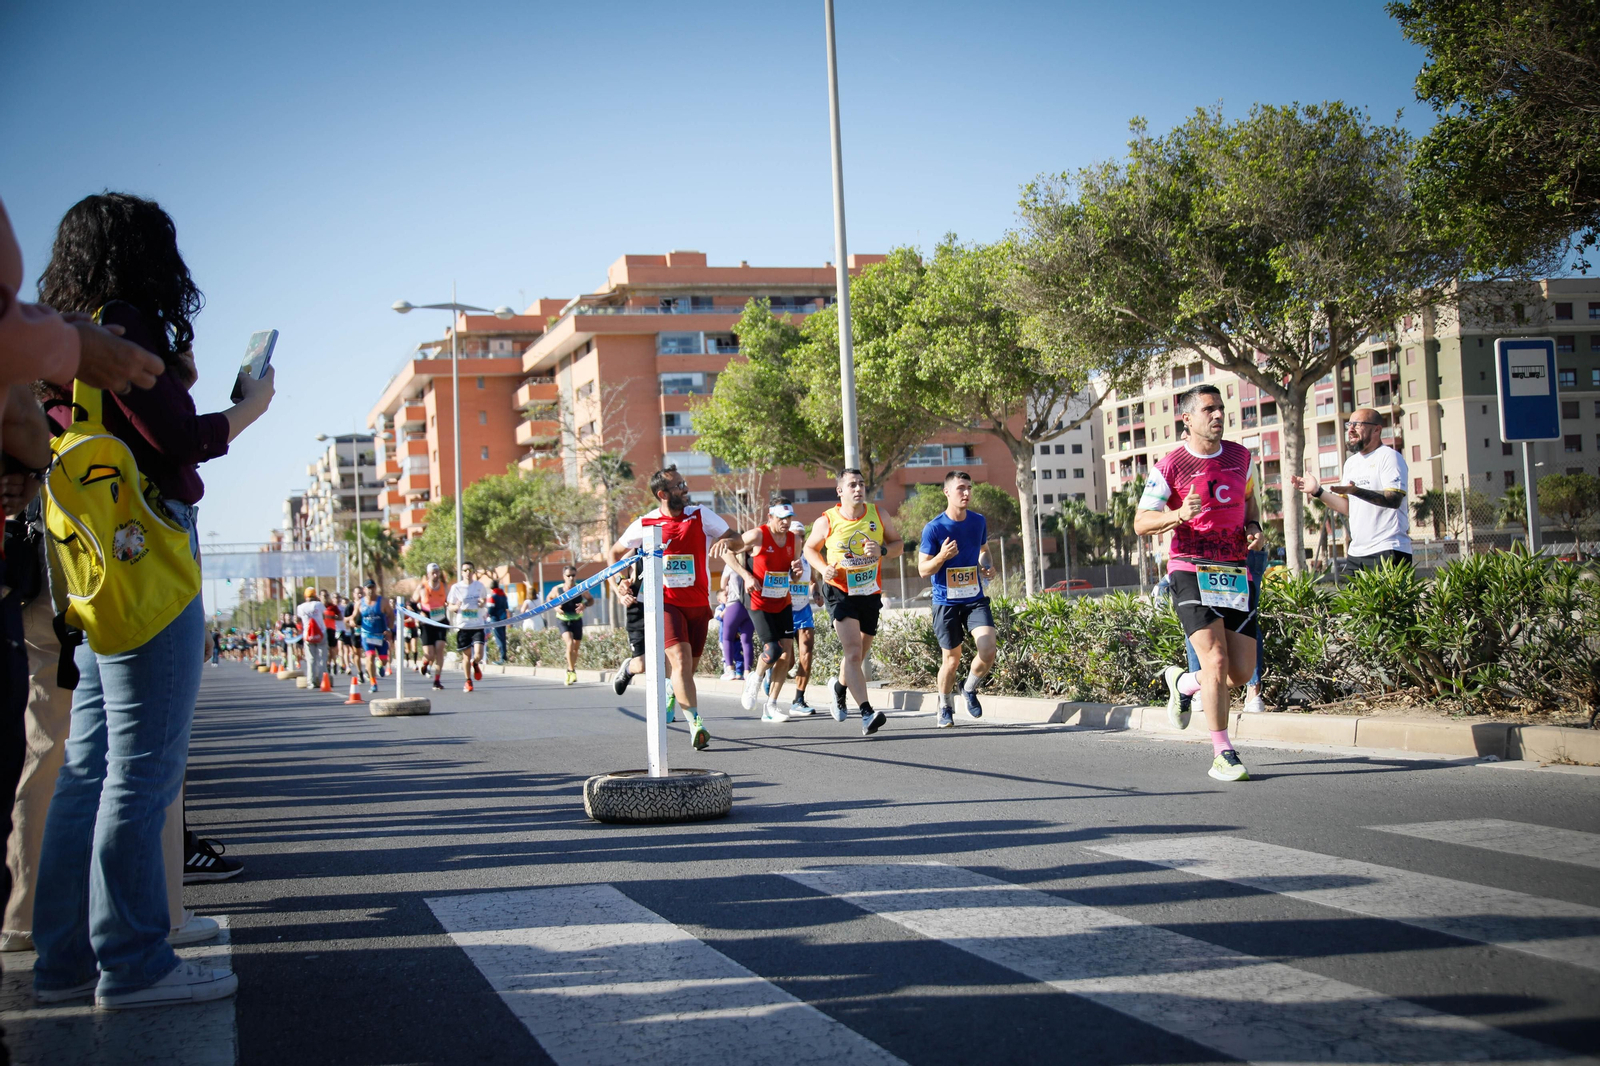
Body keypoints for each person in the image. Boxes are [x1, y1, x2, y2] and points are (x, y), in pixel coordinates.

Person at [32, 192, 273, 1009]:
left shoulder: (69, 336)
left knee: (88, 766)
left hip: (97, 565)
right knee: (142, 768)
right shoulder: (123, 321)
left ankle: (62, 961)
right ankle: (132, 961)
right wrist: (248, 408)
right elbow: (179, 438)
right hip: (151, 552)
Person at [1133, 383, 1266, 784]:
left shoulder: (1242, 457)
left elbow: (1250, 502)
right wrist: (1178, 515)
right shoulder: (1170, 466)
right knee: (1216, 661)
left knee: (1241, 672)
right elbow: (1141, 523)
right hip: (1190, 568)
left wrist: (1255, 527)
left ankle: (1182, 682)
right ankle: (1223, 752)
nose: (1219, 415)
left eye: (1221, 408)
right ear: (1187, 419)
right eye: (1209, 409)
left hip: (1233, 571)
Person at [608, 466, 738, 750]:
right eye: (679, 485)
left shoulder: (700, 515)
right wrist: (619, 581)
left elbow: (737, 539)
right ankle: (696, 724)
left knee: (688, 667)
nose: (685, 488)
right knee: (679, 660)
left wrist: (727, 541)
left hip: (697, 603)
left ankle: (671, 691)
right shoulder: (647, 523)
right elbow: (615, 553)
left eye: (684, 483)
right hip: (665, 604)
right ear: (663, 494)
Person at [804, 468, 903, 736]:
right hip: (839, 591)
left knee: (859, 654)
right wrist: (823, 568)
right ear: (840, 491)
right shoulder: (827, 521)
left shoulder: (878, 515)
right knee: (853, 652)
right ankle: (867, 713)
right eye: (852, 485)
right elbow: (809, 549)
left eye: (861, 484)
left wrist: (881, 550)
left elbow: (898, 545)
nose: (858, 488)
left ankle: (838, 687)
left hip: (869, 591)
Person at [918, 470, 997, 728]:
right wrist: (942, 557)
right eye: (961, 488)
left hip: (974, 597)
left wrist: (987, 566)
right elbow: (922, 570)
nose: (966, 493)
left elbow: (984, 551)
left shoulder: (978, 522)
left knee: (987, 650)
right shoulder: (934, 528)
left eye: (969, 488)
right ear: (947, 492)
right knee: (951, 660)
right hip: (945, 601)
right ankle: (944, 705)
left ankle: (969, 687)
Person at [1291, 407, 1412, 570]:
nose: (1351, 429)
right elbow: (1347, 508)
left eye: (1358, 425)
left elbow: (1394, 499)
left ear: (1377, 429)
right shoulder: (1351, 463)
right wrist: (1317, 491)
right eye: (1349, 425)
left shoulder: (1389, 457)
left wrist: (1356, 491)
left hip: (1388, 549)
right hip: (1357, 553)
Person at [720, 500, 804, 722]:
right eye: (781, 518)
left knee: (787, 654)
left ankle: (771, 706)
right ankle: (755, 679)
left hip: (782, 600)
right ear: (770, 517)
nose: (786, 523)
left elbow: (793, 573)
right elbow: (726, 552)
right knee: (773, 650)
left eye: (789, 518)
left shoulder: (794, 540)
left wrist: (797, 571)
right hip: (758, 600)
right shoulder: (758, 535)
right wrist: (746, 575)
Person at [785, 520, 822, 717]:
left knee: (806, 653)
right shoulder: (782, 559)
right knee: (787, 662)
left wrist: (816, 593)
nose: (799, 538)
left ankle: (798, 699)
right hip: (784, 611)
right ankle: (769, 675)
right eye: (794, 535)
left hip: (803, 611)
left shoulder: (809, 558)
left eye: (801, 535)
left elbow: (814, 581)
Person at [447, 561, 488, 693]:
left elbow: (484, 601)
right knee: (466, 656)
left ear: (473, 572)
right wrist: (456, 607)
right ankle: (468, 681)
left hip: (477, 624)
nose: (468, 572)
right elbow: (450, 605)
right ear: (461, 572)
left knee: (478, 654)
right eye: (465, 570)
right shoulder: (456, 588)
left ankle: (475, 664)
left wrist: (482, 603)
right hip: (463, 626)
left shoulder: (479, 586)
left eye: (470, 570)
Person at [551, 565, 593, 685]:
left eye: (573, 575)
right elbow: (549, 598)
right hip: (563, 620)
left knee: (575, 648)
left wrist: (584, 605)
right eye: (568, 575)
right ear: (564, 576)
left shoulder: (580, 588)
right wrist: (556, 607)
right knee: (569, 643)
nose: (571, 578)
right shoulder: (557, 589)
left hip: (577, 620)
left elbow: (590, 600)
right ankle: (571, 670)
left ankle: (571, 669)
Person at [412, 563, 449, 690]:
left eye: (437, 572)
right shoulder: (422, 587)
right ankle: (426, 662)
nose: (435, 574)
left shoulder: (444, 586)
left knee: (440, 649)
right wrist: (419, 613)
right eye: (433, 572)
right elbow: (410, 604)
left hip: (440, 620)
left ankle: (437, 680)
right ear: (428, 574)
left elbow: (448, 601)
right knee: (429, 654)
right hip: (426, 621)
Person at [718, 566, 754, 681]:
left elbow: (723, 587)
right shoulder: (752, 562)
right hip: (751, 605)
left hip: (734, 604)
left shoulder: (730, 565)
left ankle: (730, 670)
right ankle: (747, 671)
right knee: (747, 640)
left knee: (727, 638)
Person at [357, 582, 394, 694]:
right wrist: (351, 621)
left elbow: (391, 615)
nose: (370, 590)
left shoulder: (383, 601)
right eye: (368, 588)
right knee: (370, 656)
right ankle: (373, 683)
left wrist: (389, 629)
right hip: (367, 635)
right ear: (364, 589)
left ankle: (379, 665)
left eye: (372, 588)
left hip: (380, 635)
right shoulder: (360, 603)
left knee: (383, 660)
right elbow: (355, 616)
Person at [296, 588, 329, 685]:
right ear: (315, 595)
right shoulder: (318, 605)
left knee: (311, 659)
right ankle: (322, 680)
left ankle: (311, 681)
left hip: (308, 635)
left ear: (305, 596)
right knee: (322, 658)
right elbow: (325, 614)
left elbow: (298, 619)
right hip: (321, 633)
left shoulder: (300, 607)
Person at [486, 579, 510, 664]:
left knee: (499, 639)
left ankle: (502, 658)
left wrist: (486, 615)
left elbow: (490, 610)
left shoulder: (492, 596)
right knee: (503, 638)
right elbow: (506, 607)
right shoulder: (503, 595)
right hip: (503, 619)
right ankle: (504, 657)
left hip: (495, 620)